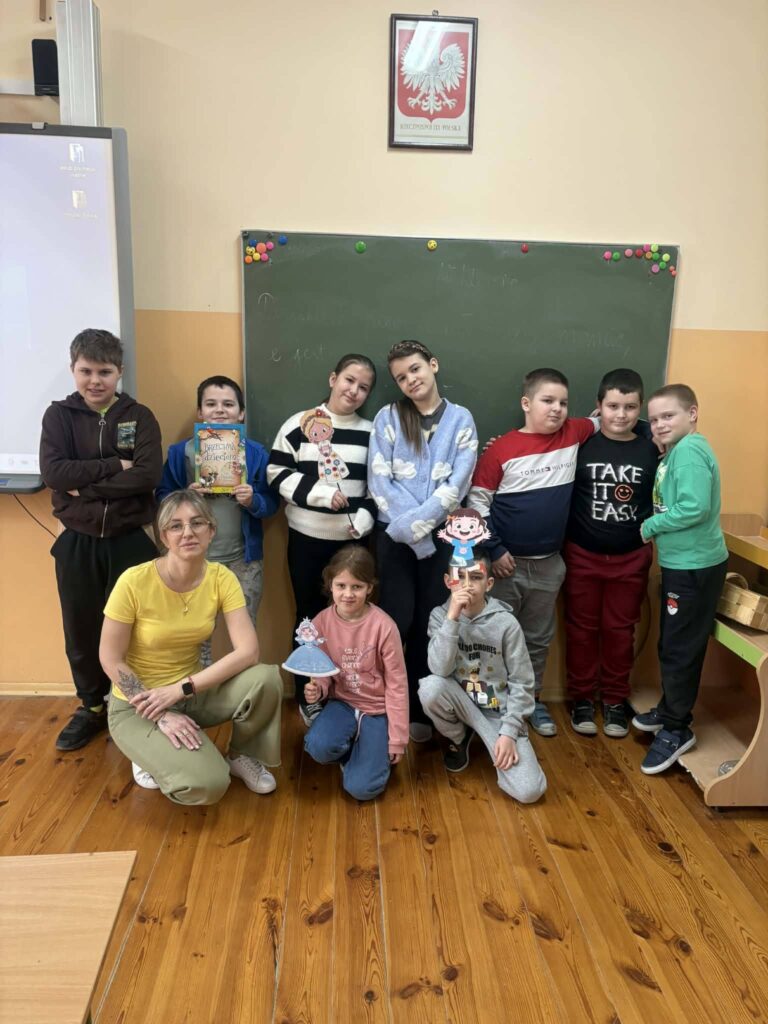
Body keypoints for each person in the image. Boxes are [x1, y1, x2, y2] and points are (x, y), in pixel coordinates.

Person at [99, 489, 283, 804]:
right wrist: (159, 713)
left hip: (190, 692)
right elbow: (110, 658)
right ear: (163, 536)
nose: (187, 532)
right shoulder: (133, 581)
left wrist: (181, 689)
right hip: (139, 704)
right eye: (176, 526)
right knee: (209, 784)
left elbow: (248, 651)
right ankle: (147, 752)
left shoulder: (221, 577)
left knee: (266, 678)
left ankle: (241, 756)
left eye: (197, 523)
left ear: (211, 530)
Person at [40, 328, 162, 752]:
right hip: (77, 539)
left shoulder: (139, 416)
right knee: (81, 625)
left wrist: (85, 486)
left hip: (131, 538)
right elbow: (54, 474)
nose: (95, 381)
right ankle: (92, 706)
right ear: (73, 369)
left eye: (104, 372)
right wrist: (114, 465)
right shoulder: (59, 416)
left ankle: (136, 703)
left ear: (119, 371)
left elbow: (146, 475)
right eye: (86, 371)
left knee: (139, 628)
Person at [467, 368, 598, 737]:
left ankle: (532, 701)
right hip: (504, 565)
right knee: (495, 637)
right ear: (526, 403)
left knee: (536, 640)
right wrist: (495, 549)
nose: (556, 408)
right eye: (547, 400)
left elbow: (611, 419)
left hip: (549, 565)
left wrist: (654, 436)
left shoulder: (574, 432)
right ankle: (495, 705)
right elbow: (477, 504)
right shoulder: (501, 450)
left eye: (563, 402)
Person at [367, 340, 478, 742]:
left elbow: (458, 484)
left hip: (443, 537)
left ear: (433, 365)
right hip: (394, 538)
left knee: (433, 621)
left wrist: (422, 529)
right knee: (397, 621)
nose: (410, 380)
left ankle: (424, 709)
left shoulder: (461, 419)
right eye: (401, 377)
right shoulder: (388, 417)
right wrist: (416, 534)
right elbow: (379, 481)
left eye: (415, 369)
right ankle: (388, 706)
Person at [267, 354, 378, 723]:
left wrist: (364, 518)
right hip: (307, 540)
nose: (354, 390)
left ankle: (348, 691)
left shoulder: (372, 433)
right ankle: (309, 693)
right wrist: (320, 494)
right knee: (309, 619)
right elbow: (276, 472)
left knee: (351, 619)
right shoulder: (299, 424)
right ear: (333, 379)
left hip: (352, 544)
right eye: (349, 380)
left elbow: (380, 486)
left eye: (364, 387)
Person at [632, 384, 728, 774]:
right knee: (672, 642)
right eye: (653, 419)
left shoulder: (688, 453)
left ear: (693, 413)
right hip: (683, 564)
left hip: (694, 567)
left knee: (680, 648)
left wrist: (650, 525)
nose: (658, 425)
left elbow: (694, 507)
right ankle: (671, 708)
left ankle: (676, 727)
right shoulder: (677, 451)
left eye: (668, 416)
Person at [156, 375, 278, 665]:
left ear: (241, 413)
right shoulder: (181, 453)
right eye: (211, 404)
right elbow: (161, 497)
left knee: (245, 634)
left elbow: (273, 502)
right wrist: (185, 497)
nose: (220, 410)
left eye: (228, 404)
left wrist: (253, 500)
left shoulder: (255, 453)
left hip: (243, 560)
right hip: (193, 559)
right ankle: (198, 689)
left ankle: (243, 688)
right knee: (195, 636)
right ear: (200, 412)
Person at [564, 369, 658, 738]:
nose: (621, 414)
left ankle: (615, 699)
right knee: (581, 631)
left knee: (620, 632)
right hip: (582, 554)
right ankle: (582, 698)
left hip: (630, 557)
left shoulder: (652, 448)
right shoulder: (581, 444)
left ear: (641, 408)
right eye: (613, 406)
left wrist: (649, 430)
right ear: (598, 406)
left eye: (630, 407)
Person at [418, 551, 546, 802]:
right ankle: (459, 737)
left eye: (475, 577)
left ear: (489, 583)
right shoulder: (439, 616)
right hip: (461, 702)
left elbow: (522, 682)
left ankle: (493, 736)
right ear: (448, 581)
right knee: (430, 688)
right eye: (460, 577)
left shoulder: (506, 623)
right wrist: (452, 618)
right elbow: (439, 669)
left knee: (529, 791)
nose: (467, 585)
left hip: (498, 711)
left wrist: (509, 732)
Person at [303, 546, 408, 800]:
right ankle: (360, 751)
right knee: (316, 747)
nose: (348, 594)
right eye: (341, 586)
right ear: (330, 585)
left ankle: (372, 754)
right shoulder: (320, 623)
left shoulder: (385, 627)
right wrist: (318, 688)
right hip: (342, 703)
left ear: (369, 587)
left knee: (362, 789)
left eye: (357, 587)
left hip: (377, 710)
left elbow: (397, 684)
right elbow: (322, 670)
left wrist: (397, 738)